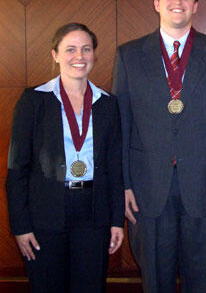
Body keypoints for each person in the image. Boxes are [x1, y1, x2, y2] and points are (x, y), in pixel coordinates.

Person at [112, 0, 206, 293]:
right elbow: (121, 125)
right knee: (155, 281)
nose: (177, 2)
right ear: (156, 3)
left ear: (196, 5)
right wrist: (124, 185)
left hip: (204, 185)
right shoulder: (128, 55)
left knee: (202, 281)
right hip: (147, 189)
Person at [6, 22, 125, 292]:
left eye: (86, 49)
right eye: (70, 49)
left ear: (94, 54)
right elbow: (17, 169)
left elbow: (116, 169)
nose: (79, 57)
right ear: (55, 55)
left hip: (94, 214)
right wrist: (20, 226)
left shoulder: (108, 104)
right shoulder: (33, 101)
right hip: (45, 214)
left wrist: (117, 220)